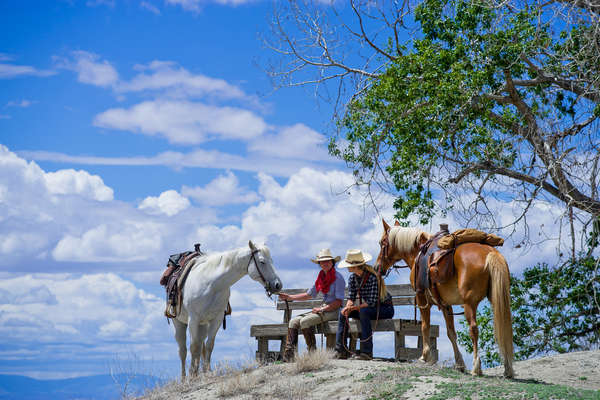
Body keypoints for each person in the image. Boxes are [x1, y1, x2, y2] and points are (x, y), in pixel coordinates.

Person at [278, 249, 345, 362]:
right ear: (319, 264)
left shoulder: (338, 278)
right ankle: (289, 356)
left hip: (333, 311)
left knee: (305, 322)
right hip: (324, 308)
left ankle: (312, 354)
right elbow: (309, 294)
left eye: (327, 261)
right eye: (322, 262)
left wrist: (321, 308)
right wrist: (290, 297)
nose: (325, 263)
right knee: (293, 322)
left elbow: (338, 302)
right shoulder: (321, 277)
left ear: (332, 262)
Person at [334, 249, 394, 360]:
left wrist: (354, 308)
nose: (347, 267)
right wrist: (348, 307)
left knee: (364, 312)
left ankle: (366, 352)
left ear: (356, 266)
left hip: (384, 309)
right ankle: (340, 349)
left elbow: (371, 302)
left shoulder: (372, 277)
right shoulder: (352, 278)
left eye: (349, 265)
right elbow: (351, 297)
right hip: (367, 309)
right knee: (343, 313)